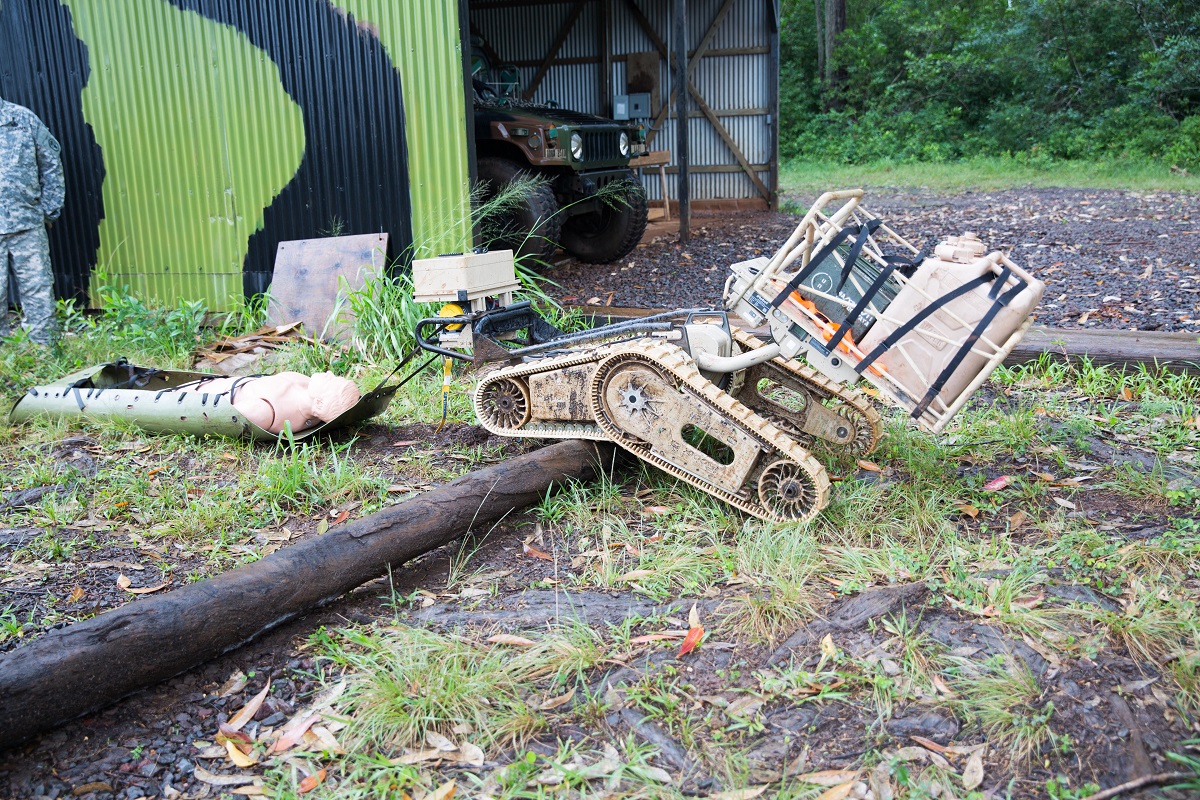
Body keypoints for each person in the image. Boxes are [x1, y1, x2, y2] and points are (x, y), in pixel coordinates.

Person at [0, 96, 64, 346]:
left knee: (37, 291)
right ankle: (5, 361)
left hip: (27, 224)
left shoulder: (23, 119)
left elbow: (51, 163)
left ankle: (45, 352)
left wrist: (50, 209)